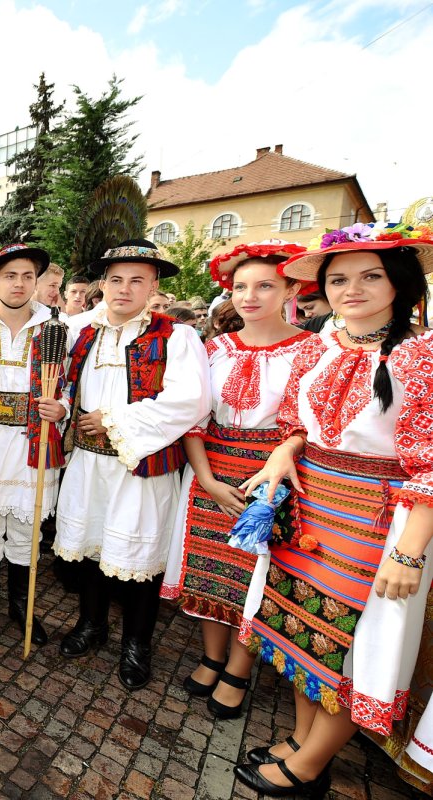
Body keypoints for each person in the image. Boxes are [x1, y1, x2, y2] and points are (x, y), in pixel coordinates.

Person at [236, 225, 433, 797]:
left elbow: (429, 465)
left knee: (360, 647)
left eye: (371, 275)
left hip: (379, 521)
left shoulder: (421, 355)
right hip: (307, 508)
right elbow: (296, 425)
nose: (353, 289)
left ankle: (308, 767)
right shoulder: (320, 344)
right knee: (302, 632)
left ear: (399, 283)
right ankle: (301, 740)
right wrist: (283, 450)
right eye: (339, 278)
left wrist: (408, 551)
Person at [161, 241, 309, 721]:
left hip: (272, 474)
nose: (250, 296)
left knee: (255, 572)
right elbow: (193, 418)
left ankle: (240, 670)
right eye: (241, 286)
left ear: (290, 288)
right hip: (211, 468)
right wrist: (204, 478)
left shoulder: (313, 350)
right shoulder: (214, 348)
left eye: (265, 285)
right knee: (209, 566)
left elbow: (310, 424)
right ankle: (212, 656)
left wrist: (279, 461)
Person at [55, 239, 209, 690]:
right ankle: (92, 625)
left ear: (153, 285)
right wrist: (66, 410)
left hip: (140, 466)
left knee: (138, 556)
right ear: (102, 284)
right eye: (116, 280)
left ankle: (136, 644)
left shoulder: (176, 336)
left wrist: (114, 420)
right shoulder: (83, 331)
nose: (124, 289)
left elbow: (190, 402)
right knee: (89, 548)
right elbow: (64, 384)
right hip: (87, 462)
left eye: (136, 280)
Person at [0, 243, 66, 642]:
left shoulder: (56, 331)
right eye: (10, 275)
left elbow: (71, 383)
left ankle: (21, 605)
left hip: (32, 441)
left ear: (37, 281)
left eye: (27, 276)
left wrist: (63, 406)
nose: (19, 283)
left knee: (27, 529)